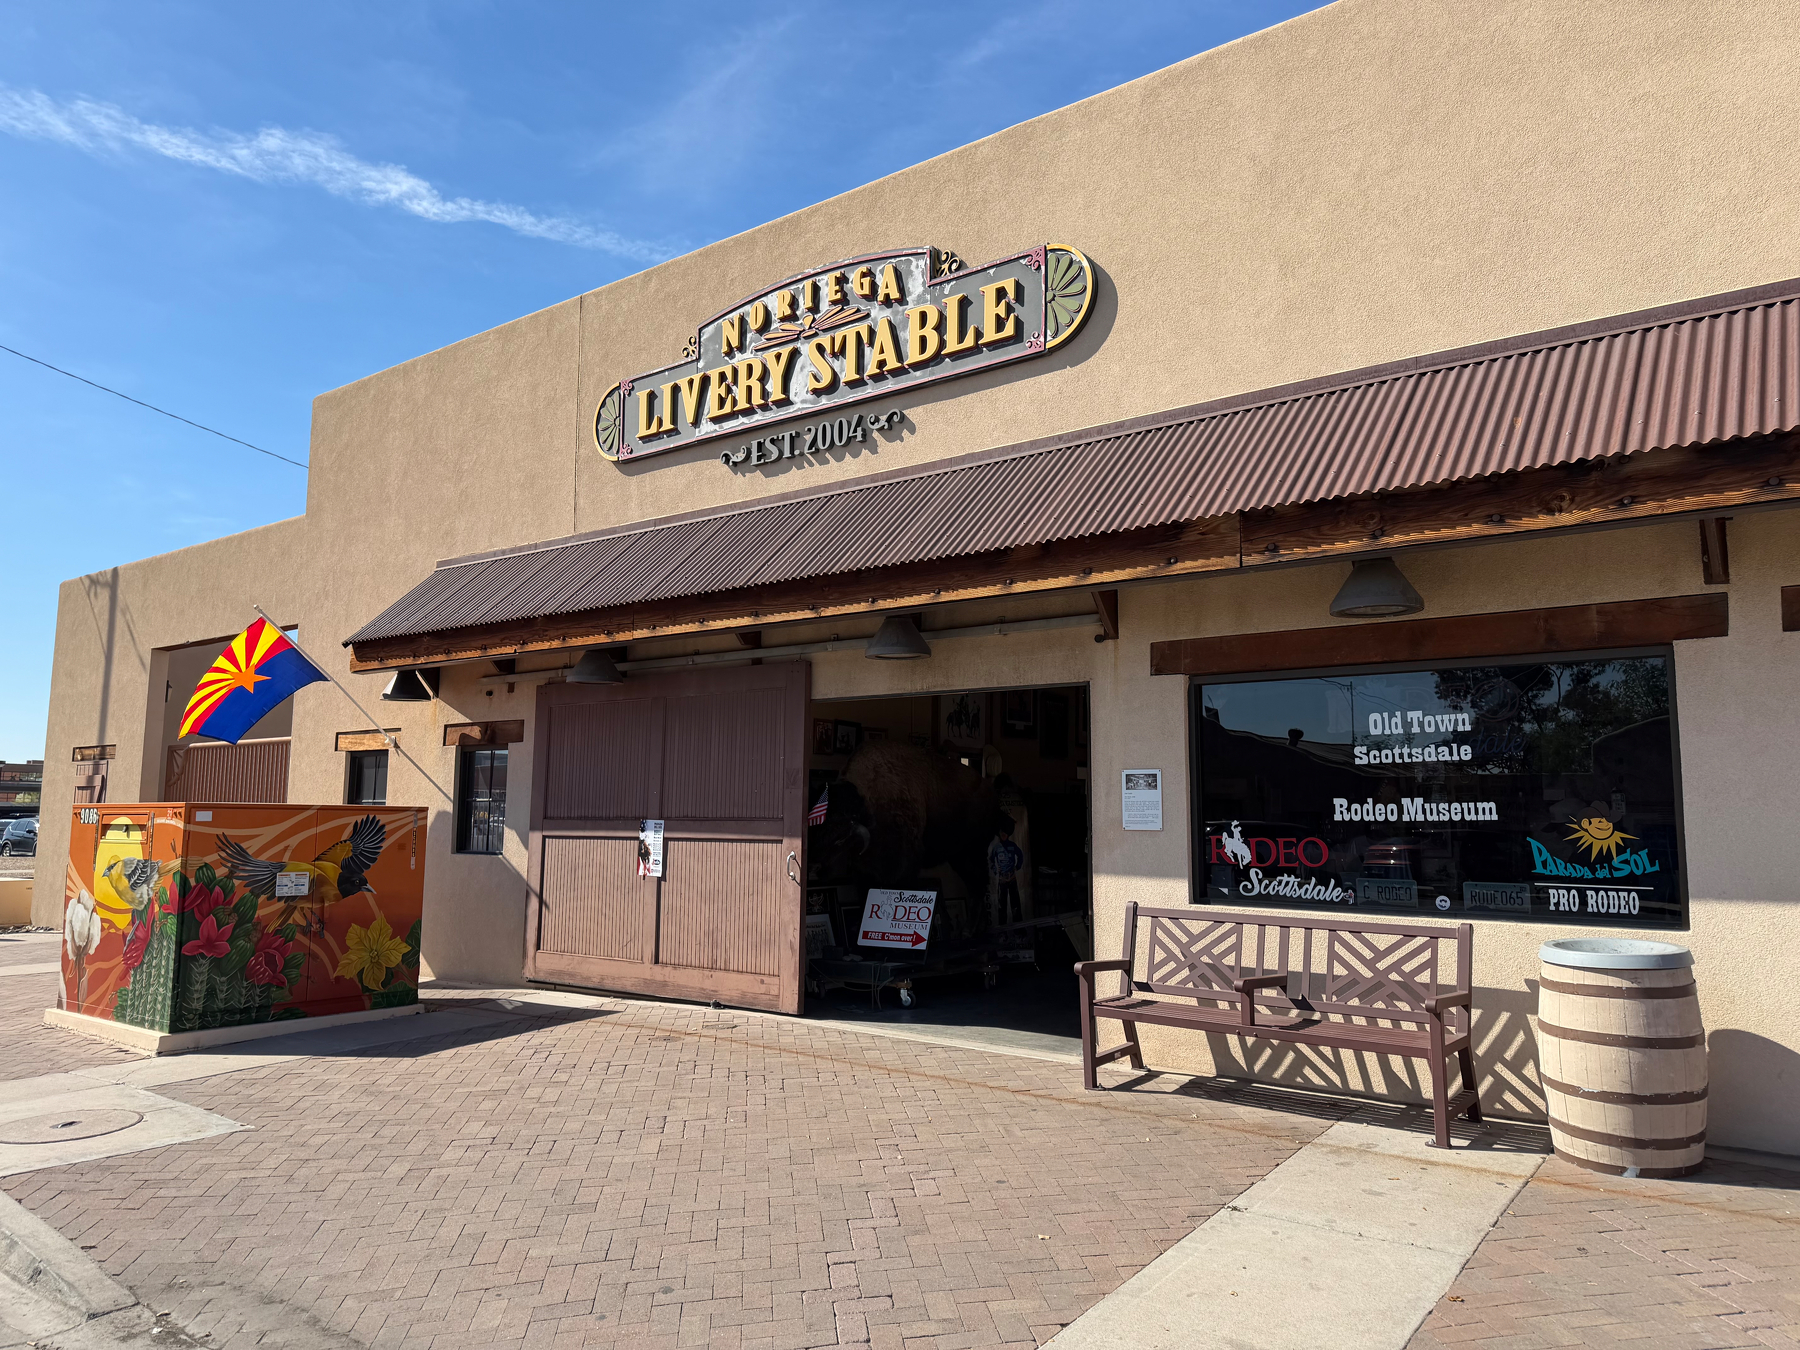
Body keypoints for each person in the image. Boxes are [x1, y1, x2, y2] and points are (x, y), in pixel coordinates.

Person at [988, 815, 1026, 927]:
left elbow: (1020, 856)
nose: (1003, 834)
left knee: (1016, 905)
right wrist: (996, 869)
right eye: (1001, 831)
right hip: (1002, 880)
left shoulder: (1012, 846)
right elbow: (991, 860)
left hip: (1012, 878)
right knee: (1002, 906)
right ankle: (1002, 932)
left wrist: (1017, 867)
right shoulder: (996, 847)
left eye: (1005, 832)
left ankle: (1019, 930)